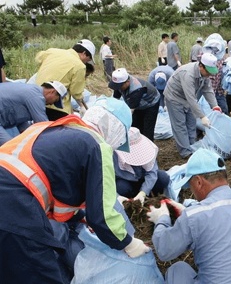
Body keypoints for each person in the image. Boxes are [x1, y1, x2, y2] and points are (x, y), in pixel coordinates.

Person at [0, 97, 150, 283]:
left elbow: (54, 181)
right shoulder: (97, 145)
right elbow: (102, 216)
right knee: (42, 274)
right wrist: (128, 243)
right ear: (116, 130)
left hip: (9, 197)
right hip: (14, 205)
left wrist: (79, 216)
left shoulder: (53, 129)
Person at [147, 148, 231, 284]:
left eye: (191, 185)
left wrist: (161, 219)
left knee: (177, 270)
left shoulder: (194, 216)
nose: (192, 192)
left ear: (199, 182)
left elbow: (164, 250)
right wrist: (188, 213)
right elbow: (223, 221)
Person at [164, 53, 220, 158]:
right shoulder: (188, 74)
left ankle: (192, 146)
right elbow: (191, 98)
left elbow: (207, 90)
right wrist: (202, 116)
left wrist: (215, 106)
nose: (209, 74)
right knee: (180, 125)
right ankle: (186, 152)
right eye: (208, 71)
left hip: (188, 98)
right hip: (175, 97)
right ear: (200, 66)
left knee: (191, 122)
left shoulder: (204, 74)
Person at [34, 39, 95, 120]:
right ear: (84, 53)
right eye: (89, 59)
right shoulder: (79, 66)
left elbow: (38, 58)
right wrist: (82, 106)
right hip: (55, 107)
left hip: (35, 99)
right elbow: (76, 92)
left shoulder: (52, 51)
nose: (86, 62)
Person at [113, 127, 170, 204]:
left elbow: (152, 173)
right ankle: (129, 201)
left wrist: (143, 192)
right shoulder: (113, 156)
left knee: (163, 177)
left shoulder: (146, 151)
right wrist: (117, 196)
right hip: (127, 183)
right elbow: (107, 181)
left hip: (143, 180)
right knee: (121, 187)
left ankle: (151, 197)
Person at [0, 81, 67, 146]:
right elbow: (42, 125)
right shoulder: (36, 96)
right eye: (56, 100)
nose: (52, 104)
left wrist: (28, 137)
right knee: (10, 147)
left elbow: (21, 123)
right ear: (52, 91)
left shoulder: (29, 90)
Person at [109, 68, 161, 141]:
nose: (118, 88)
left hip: (151, 103)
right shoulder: (119, 83)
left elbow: (130, 112)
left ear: (127, 82)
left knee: (147, 128)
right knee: (135, 126)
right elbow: (115, 99)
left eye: (120, 86)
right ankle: (136, 145)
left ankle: (147, 147)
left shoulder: (136, 89)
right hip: (137, 103)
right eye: (116, 86)